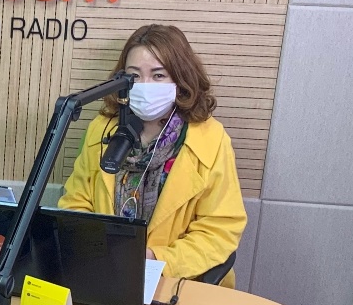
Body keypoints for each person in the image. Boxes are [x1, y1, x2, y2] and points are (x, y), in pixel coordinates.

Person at [58, 24, 246, 285]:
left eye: (158, 75)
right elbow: (75, 203)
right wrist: (94, 250)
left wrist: (155, 259)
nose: (145, 85)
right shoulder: (101, 129)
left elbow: (220, 229)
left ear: (180, 79)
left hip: (181, 283)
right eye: (134, 76)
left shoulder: (211, 139)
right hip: (104, 274)